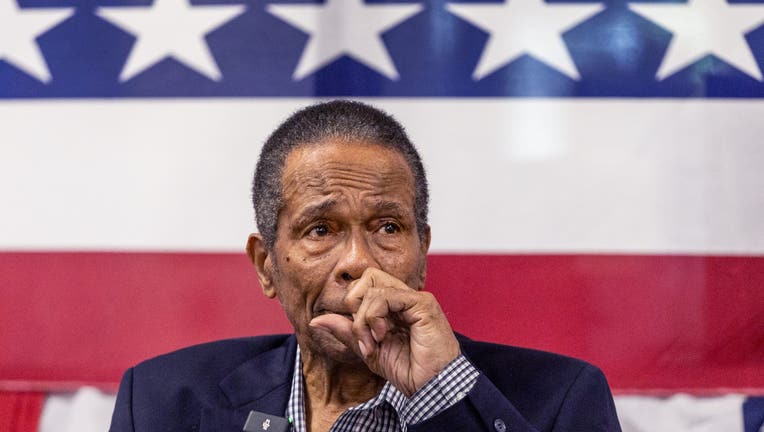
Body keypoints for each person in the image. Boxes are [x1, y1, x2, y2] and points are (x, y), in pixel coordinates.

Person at [109, 100, 622, 432]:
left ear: (422, 253)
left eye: (388, 228)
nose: (357, 261)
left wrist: (442, 392)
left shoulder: (561, 400)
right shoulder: (160, 402)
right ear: (266, 266)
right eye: (320, 230)